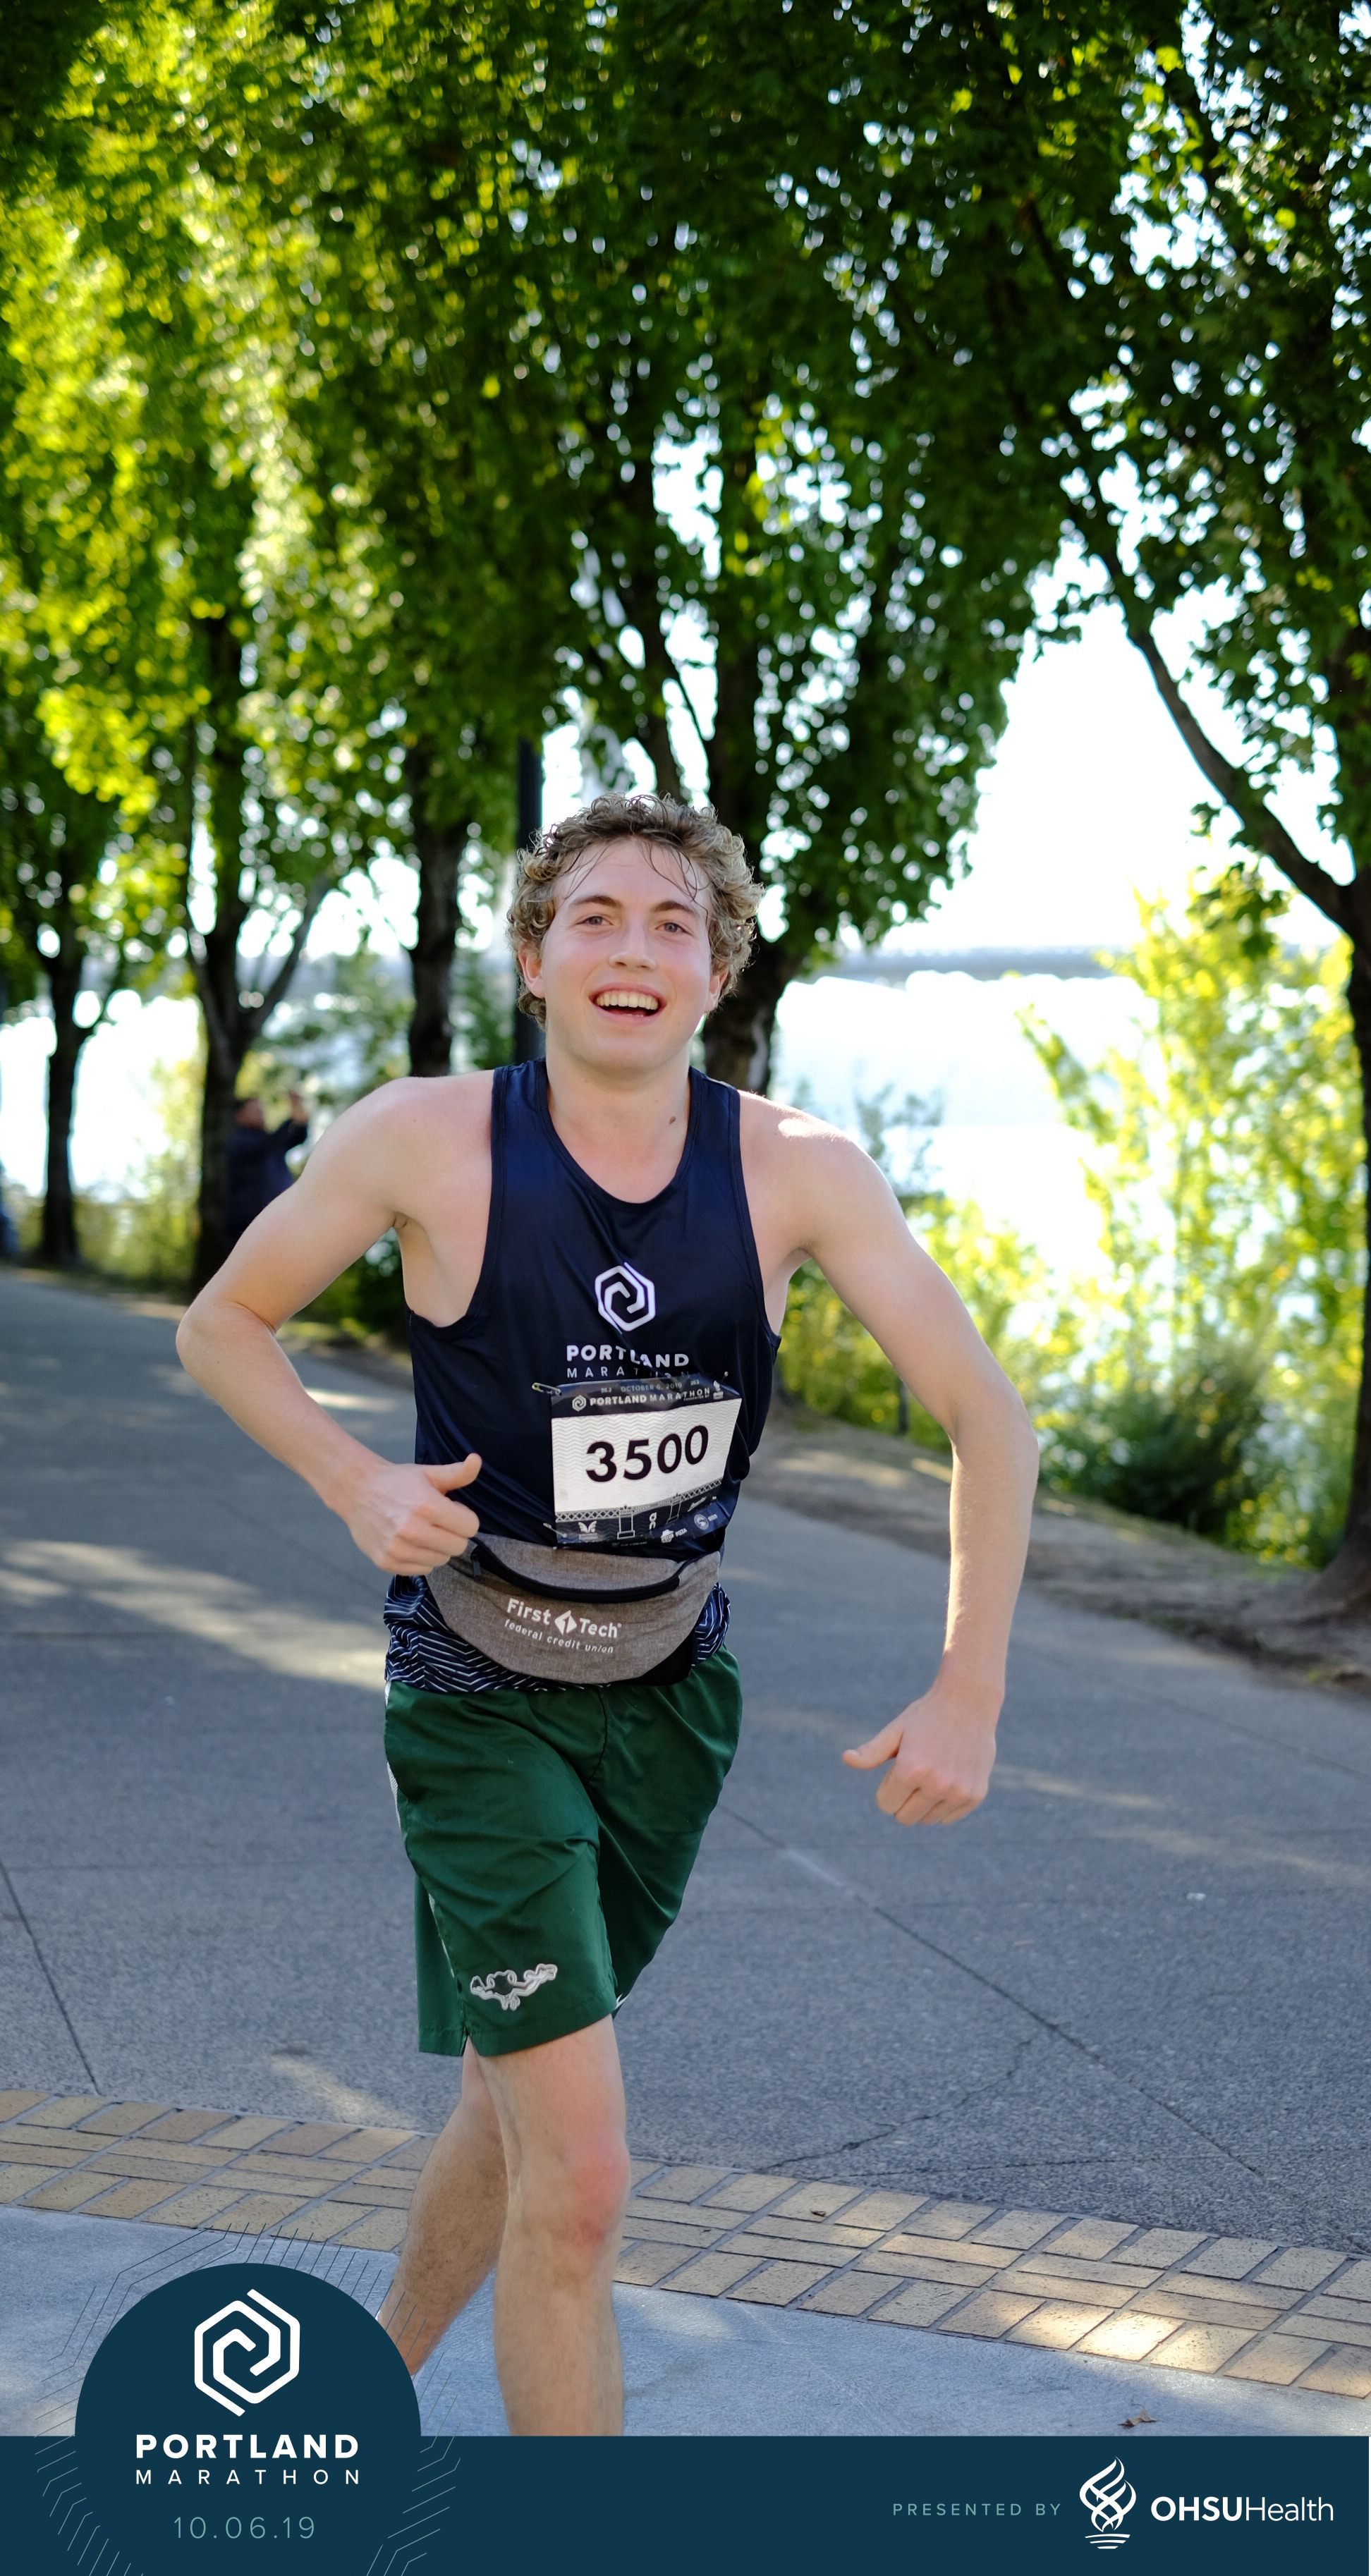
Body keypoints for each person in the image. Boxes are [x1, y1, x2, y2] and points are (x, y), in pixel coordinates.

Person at [175, 792, 1039, 2436]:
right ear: (532, 958)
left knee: (516, 2108)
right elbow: (223, 1322)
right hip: (474, 1695)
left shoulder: (798, 1171)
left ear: (716, 970)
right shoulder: (424, 1137)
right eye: (594, 916)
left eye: (671, 923)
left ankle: (353, 2385)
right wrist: (353, 1478)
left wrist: (968, 1688)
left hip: (668, 1706)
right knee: (582, 2174)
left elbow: (985, 1417)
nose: (632, 948)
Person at [224, 1088, 309, 1247]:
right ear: (240, 1115)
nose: (261, 1113)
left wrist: (297, 1106)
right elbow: (270, 1143)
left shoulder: (271, 1143)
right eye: (255, 1109)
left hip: (279, 1223)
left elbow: (298, 1136)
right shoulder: (239, 1142)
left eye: (261, 1109)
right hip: (248, 1225)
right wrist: (290, 1121)